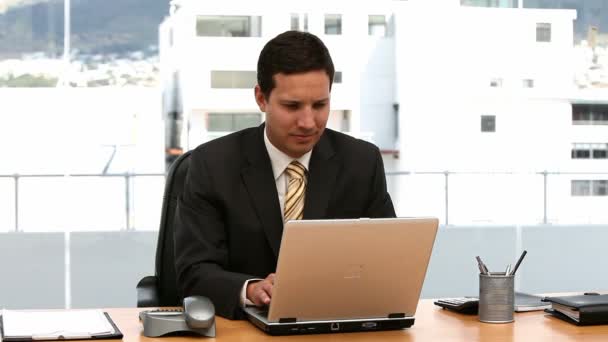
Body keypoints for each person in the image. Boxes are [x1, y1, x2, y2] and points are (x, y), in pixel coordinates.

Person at [174, 30, 396, 320]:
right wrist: (251, 289)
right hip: (246, 329)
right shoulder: (212, 164)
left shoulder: (361, 162)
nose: (308, 122)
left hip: (335, 324)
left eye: (320, 105)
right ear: (261, 98)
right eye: (292, 106)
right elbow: (194, 271)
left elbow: (388, 261)